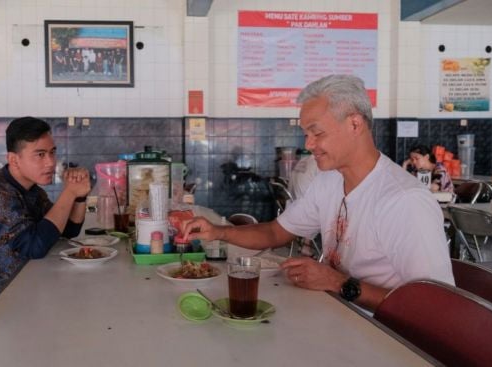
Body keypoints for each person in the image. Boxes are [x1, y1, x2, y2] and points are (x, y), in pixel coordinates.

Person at [182, 75, 453, 312]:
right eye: (306, 134)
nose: (309, 144)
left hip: (388, 337)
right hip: (337, 316)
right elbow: (276, 232)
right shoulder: (330, 181)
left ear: (355, 125)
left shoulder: (404, 201)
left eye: (317, 133)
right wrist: (217, 232)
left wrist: (338, 283)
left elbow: (436, 308)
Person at [0, 117, 91, 296]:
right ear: (14, 160)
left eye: (52, 152)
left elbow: (68, 229)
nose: (51, 162)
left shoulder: (32, 189)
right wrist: (69, 193)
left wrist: (80, 196)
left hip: (23, 286)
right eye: (40, 155)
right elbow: (34, 247)